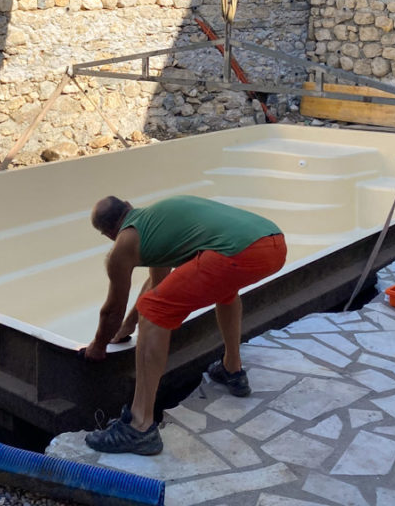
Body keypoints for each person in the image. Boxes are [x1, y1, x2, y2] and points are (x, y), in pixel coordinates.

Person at [82, 194, 286, 455]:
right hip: (272, 242)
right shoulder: (156, 221)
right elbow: (158, 285)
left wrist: (98, 346)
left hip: (237, 253)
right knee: (224, 290)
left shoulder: (123, 245)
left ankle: (139, 425)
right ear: (129, 206)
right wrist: (127, 328)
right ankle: (232, 370)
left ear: (108, 233)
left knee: (154, 310)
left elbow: (112, 310)